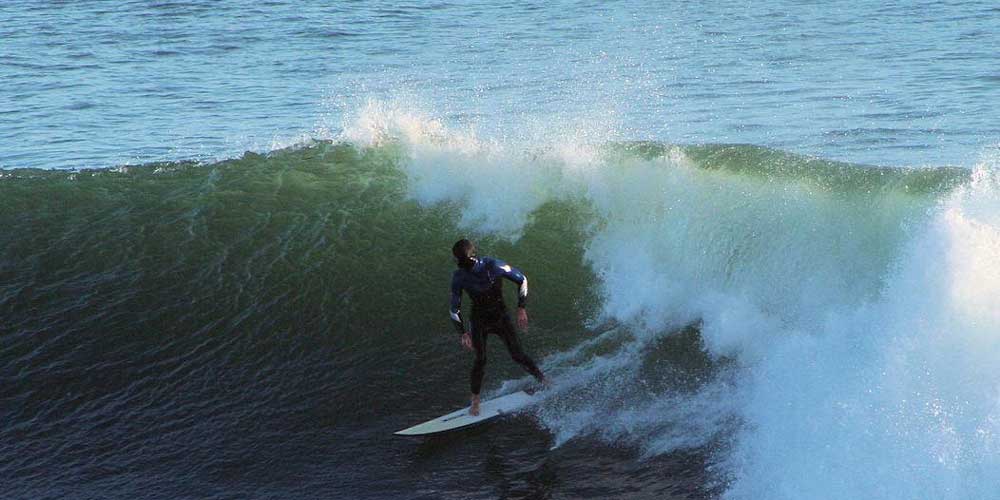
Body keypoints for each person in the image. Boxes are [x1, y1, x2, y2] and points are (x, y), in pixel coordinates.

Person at [449, 239, 547, 416]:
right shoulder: (459, 276)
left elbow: (522, 279)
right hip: (479, 320)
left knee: (517, 355)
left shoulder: (493, 266)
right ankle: (475, 401)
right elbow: (454, 309)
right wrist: (463, 332)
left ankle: (544, 381)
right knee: (480, 360)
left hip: (500, 316)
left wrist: (521, 307)